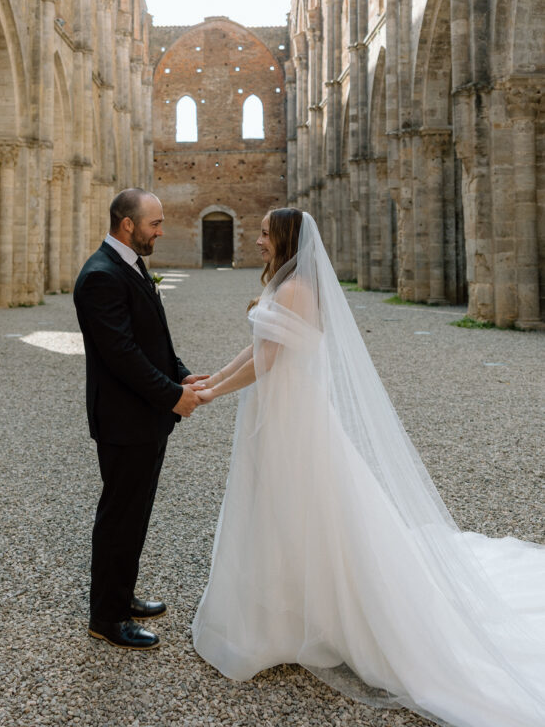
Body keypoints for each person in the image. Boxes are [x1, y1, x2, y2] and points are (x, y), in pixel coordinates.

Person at [191, 208, 545, 727]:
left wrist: (209, 395)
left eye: (266, 233)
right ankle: (290, 610)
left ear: (285, 239)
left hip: (291, 415)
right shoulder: (288, 287)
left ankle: (308, 617)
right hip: (287, 409)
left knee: (298, 504)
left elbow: (265, 362)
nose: (258, 239)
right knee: (286, 506)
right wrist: (212, 379)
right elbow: (258, 347)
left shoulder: (294, 292)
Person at [74, 188, 207, 651]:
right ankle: (106, 618)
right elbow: (122, 355)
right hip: (124, 420)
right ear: (127, 224)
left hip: (145, 417)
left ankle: (122, 595)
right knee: (119, 517)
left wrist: (182, 375)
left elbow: (152, 336)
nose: (161, 231)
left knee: (136, 515)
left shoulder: (128, 264)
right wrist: (173, 396)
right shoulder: (100, 276)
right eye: (155, 223)